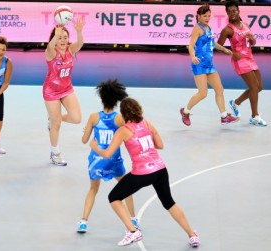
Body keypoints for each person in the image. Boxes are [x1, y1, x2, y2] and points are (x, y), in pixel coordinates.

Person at [90, 97, 200, 247]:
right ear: (138, 109)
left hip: (141, 174)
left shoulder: (123, 131)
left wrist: (95, 147)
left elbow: (107, 153)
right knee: (169, 202)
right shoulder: (147, 123)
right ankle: (192, 235)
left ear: (123, 114)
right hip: (160, 170)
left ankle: (133, 232)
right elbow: (160, 145)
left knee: (114, 197)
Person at [77, 79, 139, 234]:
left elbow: (84, 140)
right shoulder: (119, 118)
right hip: (114, 161)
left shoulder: (93, 117)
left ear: (101, 98)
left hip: (96, 161)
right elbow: (131, 133)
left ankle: (83, 222)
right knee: (127, 188)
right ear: (117, 100)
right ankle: (133, 219)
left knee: (92, 190)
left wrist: (86, 130)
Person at [180, 4, 238, 126]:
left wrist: (225, 50)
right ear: (198, 16)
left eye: (209, 16)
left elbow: (213, 43)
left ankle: (224, 116)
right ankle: (185, 111)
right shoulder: (197, 28)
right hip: (199, 64)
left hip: (209, 65)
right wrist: (193, 57)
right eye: (204, 16)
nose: (207, 18)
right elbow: (191, 45)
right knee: (203, 94)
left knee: (220, 90)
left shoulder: (209, 27)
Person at [217, 1, 267, 126]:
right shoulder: (227, 29)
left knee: (259, 87)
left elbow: (252, 42)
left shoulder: (246, 25)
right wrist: (232, 53)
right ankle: (254, 116)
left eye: (234, 11)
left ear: (238, 11)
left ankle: (236, 102)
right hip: (240, 60)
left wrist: (253, 40)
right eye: (229, 12)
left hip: (250, 58)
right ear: (227, 13)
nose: (232, 13)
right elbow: (218, 46)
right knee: (254, 87)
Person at [43, 17, 85, 166]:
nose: (62, 40)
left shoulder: (70, 50)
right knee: (56, 124)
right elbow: (49, 46)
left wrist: (79, 32)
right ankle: (55, 154)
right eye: (59, 38)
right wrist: (56, 34)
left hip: (67, 89)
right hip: (51, 92)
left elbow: (80, 44)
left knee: (76, 118)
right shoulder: (51, 53)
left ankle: (54, 118)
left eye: (65, 37)